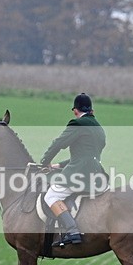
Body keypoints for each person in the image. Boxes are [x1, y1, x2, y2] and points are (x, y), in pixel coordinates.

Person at [40, 93, 107, 247]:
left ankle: (72, 231)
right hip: (97, 175)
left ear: (75, 110)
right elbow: (86, 155)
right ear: (92, 110)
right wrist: (60, 165)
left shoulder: (77, 124)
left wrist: (45, 162)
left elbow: (58, 144)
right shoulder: (98, 127)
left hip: (80, 175)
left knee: (51, 195)